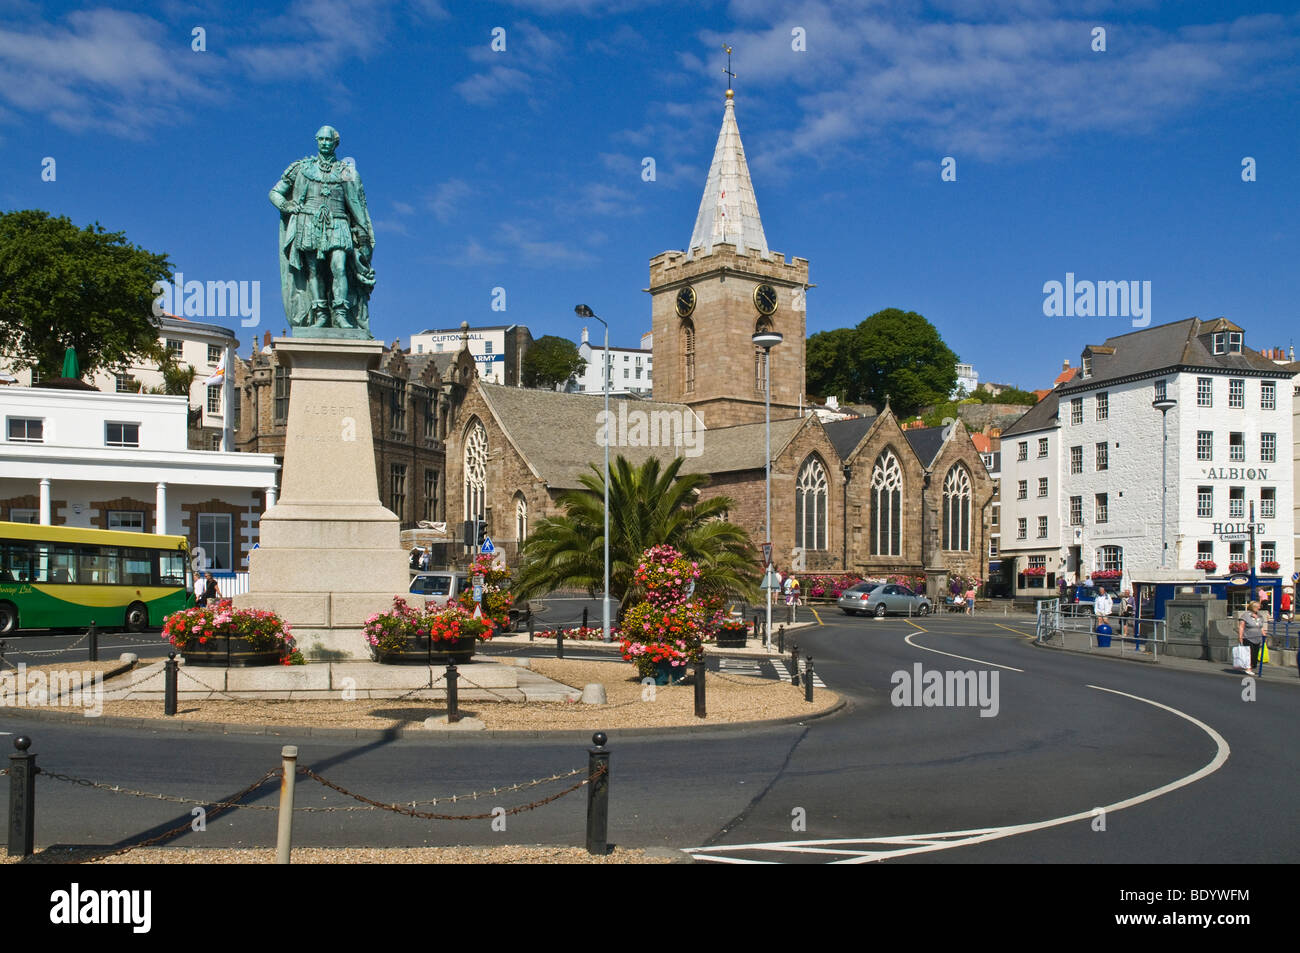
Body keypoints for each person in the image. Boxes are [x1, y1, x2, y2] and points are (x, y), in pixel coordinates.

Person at [270, 125, 376, 331]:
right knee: (314, 270)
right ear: (317, 141)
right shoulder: (301, 168)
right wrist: (287, 205)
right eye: (322, 139)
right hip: (309, 222)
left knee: (339, 266)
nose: (325, 143)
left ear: (336, 143)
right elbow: (275, 192)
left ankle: (341, 313)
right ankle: (320, 314)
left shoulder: (346, 171)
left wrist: (362, 230)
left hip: (338, 221)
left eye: (329, 140)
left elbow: (355, 202)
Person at [1237, 600, 1267, 676]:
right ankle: (1248, 668)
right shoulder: (1246, 615)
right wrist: (1240, 636)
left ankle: (1251, 666)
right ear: (1252, 607)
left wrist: (1264, 634)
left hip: (1257, 638)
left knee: (1255, 655)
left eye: (1259, 607)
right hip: (1248, 637)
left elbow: (1261, 626)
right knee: (1249, 654)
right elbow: (1241, 626)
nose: (1258, 608)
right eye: (1256, 607)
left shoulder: (1260, 616)